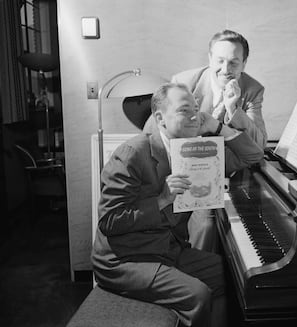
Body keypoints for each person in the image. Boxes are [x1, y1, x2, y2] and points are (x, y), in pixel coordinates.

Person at [92, 82, 264, 327]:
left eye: (197, 108)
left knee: (232, 276)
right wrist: (162, 199)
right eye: (185, 110)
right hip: (126, 259)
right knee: (198, 294)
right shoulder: (132, 153)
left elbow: (253, 156)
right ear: (160, 118)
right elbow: (109, 221)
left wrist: (216, 126)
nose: (195, 115)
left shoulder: (200, 149)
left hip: (169, 250)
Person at [145, 29, 267, 252]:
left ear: (244, 63)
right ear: (210, 58)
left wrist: (233, 108)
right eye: (220, 61)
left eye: (234, 63)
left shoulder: (252, 90)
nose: (226, 70)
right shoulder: (183, 82)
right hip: (178, 168)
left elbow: (258, 146)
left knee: (207, 225)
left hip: (222, 175)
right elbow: (152, 132)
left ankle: (203, 271)